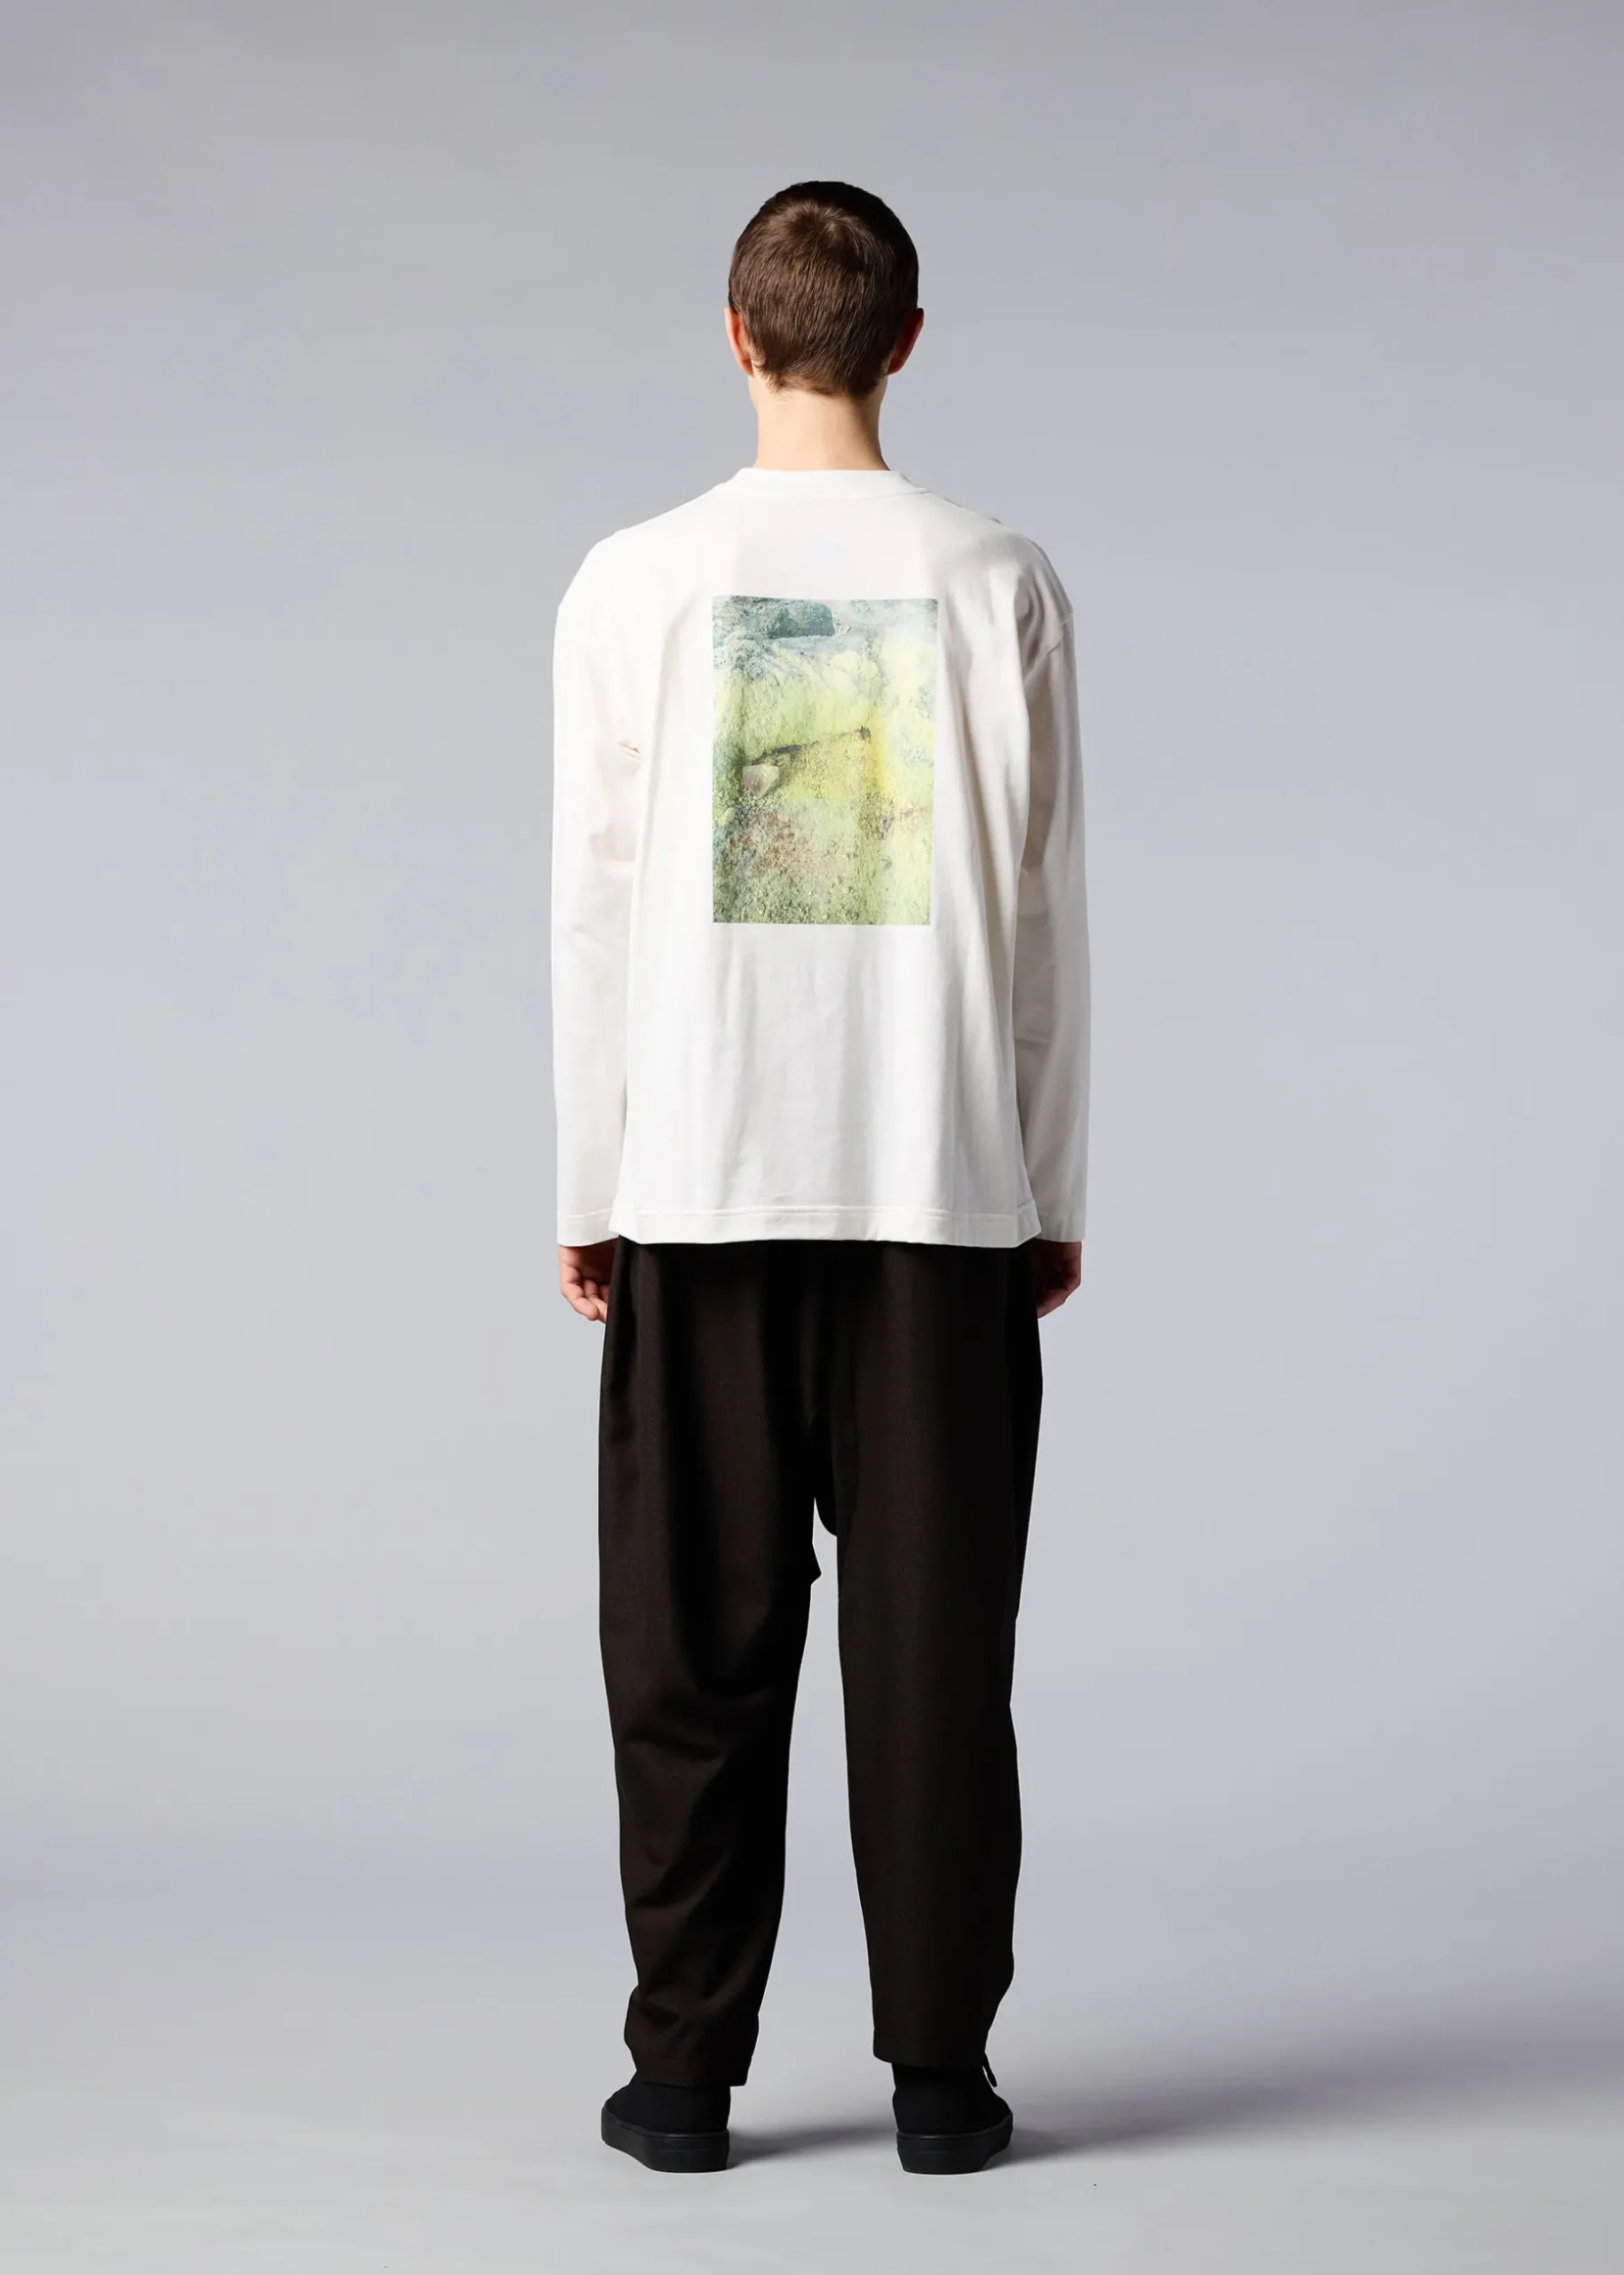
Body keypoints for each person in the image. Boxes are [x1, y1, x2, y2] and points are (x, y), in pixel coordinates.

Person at [551, 180, 1088, 2176]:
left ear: (735, 333)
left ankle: (683, 2078)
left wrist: (589, 1177)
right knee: (936, 1651)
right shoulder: (999, 577)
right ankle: (940, 2083)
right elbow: (1043, 915)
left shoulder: (633, 580)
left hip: (698, 1182)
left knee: (688, 1648)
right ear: (907, 343)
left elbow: (593, 906)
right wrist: (1046, 1182)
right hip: (938, 1186)